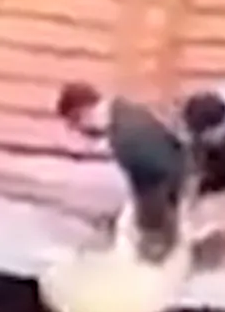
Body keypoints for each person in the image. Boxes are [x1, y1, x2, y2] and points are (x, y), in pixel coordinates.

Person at [56, 80, 190, 257]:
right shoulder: (125, 112)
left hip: (169, 194)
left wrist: (151, 232)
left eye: (75, 126)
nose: (81, 133)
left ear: (82, 114)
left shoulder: (126, 136)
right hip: (173, 181)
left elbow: (158, 178)